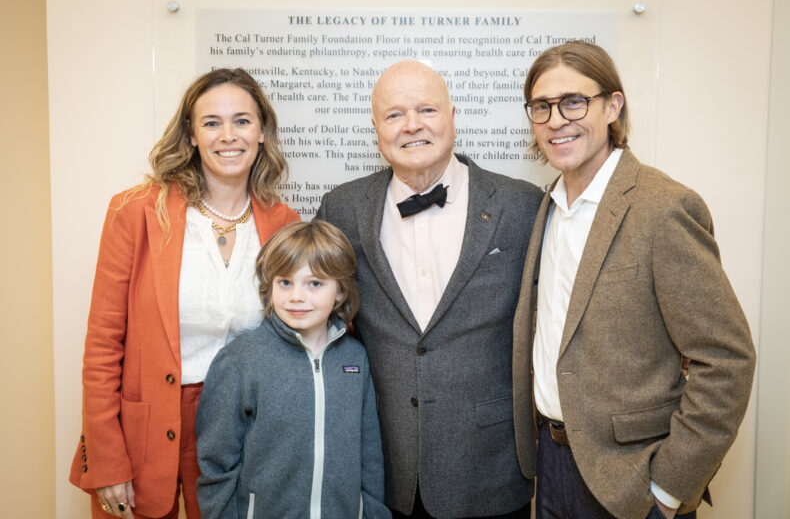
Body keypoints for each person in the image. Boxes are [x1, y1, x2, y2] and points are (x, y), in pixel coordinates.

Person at [512, 40, 756, 519]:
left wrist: (666, 490)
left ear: (612, 107)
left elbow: (726, 360)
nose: (556, 120)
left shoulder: (663, 209)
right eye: (542, 107)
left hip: (631, 482)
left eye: (573, 102)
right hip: (552, 464)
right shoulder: (546, 208)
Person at [69, 68, 300, 519]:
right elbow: (102, 346)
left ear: (262, 132)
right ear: (191, 135)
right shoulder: (136, 211)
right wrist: (106, 458)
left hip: (242, 427)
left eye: (242, 121)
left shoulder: (283, 223)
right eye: (211, 122)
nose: (228, 135)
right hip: (148, 426)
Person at [316, 60, 543, 518]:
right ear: (376, 127)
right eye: (394, 114)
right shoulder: (341, 208)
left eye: (427, 110)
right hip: (384, 466)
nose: (412, 125)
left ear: (453, 117)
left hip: (490, 466)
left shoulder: (523, 205)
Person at [195, 220, 390, 519]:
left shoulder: (356, 358)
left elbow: (370, 457)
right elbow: (216, 464)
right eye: (285, 282)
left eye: (314, 283)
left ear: (339, 292)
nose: (296, 296)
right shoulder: (239, 361)